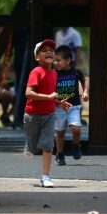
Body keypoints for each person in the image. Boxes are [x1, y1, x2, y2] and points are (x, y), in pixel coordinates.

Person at [23, 39, 71, 187]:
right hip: (32, 115)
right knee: (32, 148)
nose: (49, 52)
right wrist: (48, 97)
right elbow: (29, 93)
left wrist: (59, 103)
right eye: (44, 50)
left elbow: (50, 98)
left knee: (48, 145)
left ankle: (46, 177)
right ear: (37, 57)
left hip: (49, 115)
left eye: (51, 50)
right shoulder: (36, 72)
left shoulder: (54, 74)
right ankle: (28, 146)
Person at [54, 45, 89, 166]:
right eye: (54, 60)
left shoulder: (75, 72)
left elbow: (83, 81)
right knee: (60, 133)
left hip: (73, 106)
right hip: (59, 107)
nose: (55, 62)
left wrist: (85, 92)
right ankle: (60, 154)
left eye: (58, 60)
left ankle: (75, 145)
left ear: (68, 60)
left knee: (76, 128)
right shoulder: (54, 74)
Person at [55, 27, 88, 126]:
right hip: (61, 61)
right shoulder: (58, 34)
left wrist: (75, 65)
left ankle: (77, 118)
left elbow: (78, 50)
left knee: (73, 92)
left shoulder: (75, 34)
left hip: (71, 63)